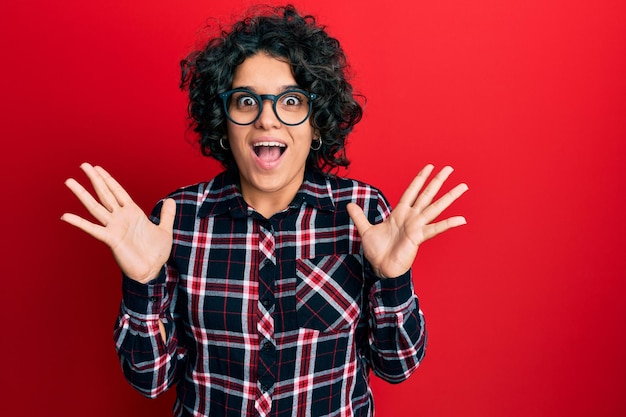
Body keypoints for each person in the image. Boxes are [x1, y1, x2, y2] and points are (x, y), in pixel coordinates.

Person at [61, 4, 468, 416]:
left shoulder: (362, 213)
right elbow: (150, 381)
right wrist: (143, 285)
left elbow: (397, 367)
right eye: (246, 101)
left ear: (317, 125)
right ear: (224, 123)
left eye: (290, 101)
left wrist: (392, 279)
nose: (267, 120)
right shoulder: (176, 219)